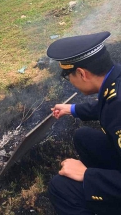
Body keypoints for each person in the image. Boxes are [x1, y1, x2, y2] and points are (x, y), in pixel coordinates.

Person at [46, 31, 121, 215]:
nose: (69, 81)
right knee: (83, 136)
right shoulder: (115, 80)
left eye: (68, 76)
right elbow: (105, 106)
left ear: (81, 73)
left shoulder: (118, 105)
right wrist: (71, 109)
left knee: (60, 187)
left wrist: (88, 175)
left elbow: (112, 109)